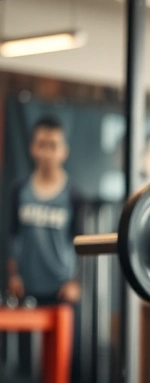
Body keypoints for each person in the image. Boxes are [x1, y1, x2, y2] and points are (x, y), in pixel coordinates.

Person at [6, 115, 83, 307]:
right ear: (33, 148)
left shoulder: (74, 195)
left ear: (64, 151)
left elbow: (80, 242)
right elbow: (12, 236)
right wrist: (13, 275)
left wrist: (75, 282)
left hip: (61, 290)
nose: (47, 153)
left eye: (53, 146)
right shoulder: (20, 190)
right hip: (25, 290)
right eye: (42, 145)